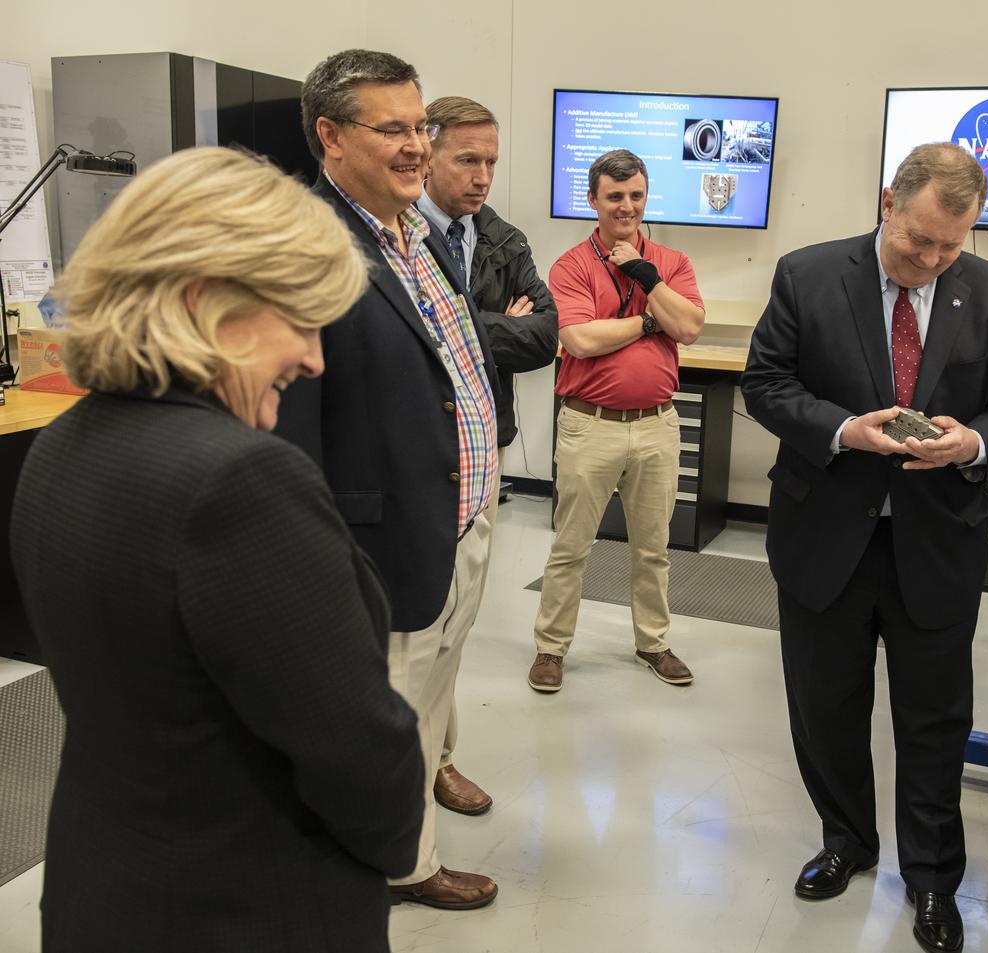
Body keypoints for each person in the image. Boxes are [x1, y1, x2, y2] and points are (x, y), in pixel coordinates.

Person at [9, 147, 426, 953]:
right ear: (208, 302)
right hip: (243, 906)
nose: (313, 356)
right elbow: (360, 752)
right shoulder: (240, 483)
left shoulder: (62, 446)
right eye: (301, 319)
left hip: (107, 888)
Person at [740, 142, 988, 953]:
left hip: (937, 543)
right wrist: (843, 429)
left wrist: (973, 442)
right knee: (826, 706)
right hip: (825, 539)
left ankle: (935, 878)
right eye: (920, 241)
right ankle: (847, 840)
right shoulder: (809, 275)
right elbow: (764, 384)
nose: (934, 259)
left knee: (935, 720)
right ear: (887, 201)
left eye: (952, 245)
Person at [276, 50, 499, 910]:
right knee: (390, 715)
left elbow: (448, 366)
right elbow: (289, 427)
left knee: (430, 701)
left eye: (421, 129)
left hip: (460, 518)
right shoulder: (307, 246)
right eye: (395, 129)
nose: (417, 148)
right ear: (331, 136)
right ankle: (399, 866)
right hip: (379, 539)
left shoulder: (420, 233)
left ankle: (402, 827)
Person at [415, 95, 557, 815]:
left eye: (491, 162)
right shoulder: (398, 232)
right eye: (466, 159)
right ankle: (409, 779)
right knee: (413, 632)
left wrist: (462, 327)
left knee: (458, 625)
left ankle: (440, 756)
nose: (481, 176)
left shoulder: (499, 237)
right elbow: (416, 334)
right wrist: (496, 323)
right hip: (416, 454)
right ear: (424, 150)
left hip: (482, 450)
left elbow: (547, 336)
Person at [529, 149, 705, 693]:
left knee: (653, 548)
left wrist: (644, 275)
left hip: (657, 425)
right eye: (615, 196)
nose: (626, 206)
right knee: (571, 546)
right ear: (593, 201)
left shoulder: (670, 263)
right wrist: (653, 320)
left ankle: (653, 642)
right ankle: (551, 649)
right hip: (590, 424)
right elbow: (579, 339)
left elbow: (692, 326)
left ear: (646, 197)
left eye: (636, 196)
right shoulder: (571, 266)